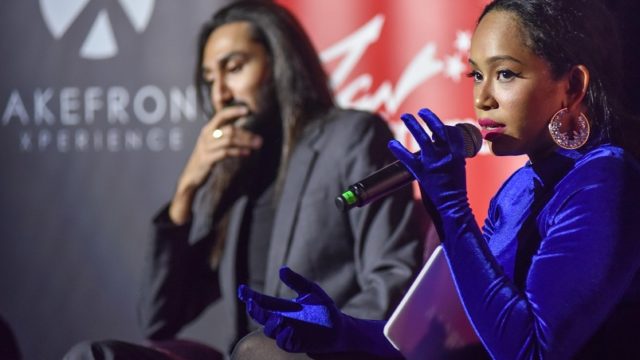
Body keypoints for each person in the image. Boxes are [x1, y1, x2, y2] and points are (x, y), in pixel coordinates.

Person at [234, 0, 640, 359]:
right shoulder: (519, 189)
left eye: (506, 74)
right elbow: (452, 341)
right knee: (260, 349)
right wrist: (344, 330)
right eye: (477, 76)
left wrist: (451, 213)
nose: (483, 99)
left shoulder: (604, 181)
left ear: (572, 85)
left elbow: (529, 351)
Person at [64, 1, 426, 359]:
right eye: (210, 80)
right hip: (243, 356)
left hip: (316, 352)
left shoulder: (352, 136)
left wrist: (327, 334)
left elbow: (391, 276)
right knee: (94, 355)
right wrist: (187, 191)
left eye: (233, 68)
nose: (220, 93)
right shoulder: (237, 170)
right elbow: (159, 318)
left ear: (280, 63)